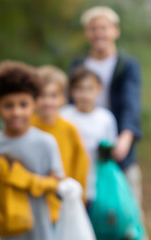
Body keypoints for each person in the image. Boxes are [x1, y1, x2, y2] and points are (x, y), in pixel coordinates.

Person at [70, 6, 143, 206]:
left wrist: (126, 137)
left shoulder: (126, 65)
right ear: (87, 33)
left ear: (115, 31)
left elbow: (131, 102)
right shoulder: (78, 65)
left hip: (115, 140)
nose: (99, 33)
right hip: (84, 147)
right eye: (94, 28)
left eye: (104, 28)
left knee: (125, 205)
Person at [0, 60, 64, 240]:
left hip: (40, 230)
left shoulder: (46, 142)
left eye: (23, 104)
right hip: (4, 230)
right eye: (8, 105)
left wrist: (29, 181)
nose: (16, 112)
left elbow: (58, 183)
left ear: (35, 104)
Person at [31, 65, 89, 223]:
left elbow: (81, 165)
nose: (47, 101)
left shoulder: (69, 129)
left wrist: (78, 198)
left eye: (53, 95)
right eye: (41, 96)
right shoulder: (27, 126)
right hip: (33, 205)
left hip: (62, 205)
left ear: (63, 98)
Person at [61, 66, 118, 207]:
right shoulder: (64, 115)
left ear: (99, 89)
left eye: (89, 89)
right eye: (79, 89)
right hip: (67, 179)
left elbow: (110, 147)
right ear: (71, 91)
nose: (84, 94)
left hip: (95, 181)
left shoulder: (105, 118)